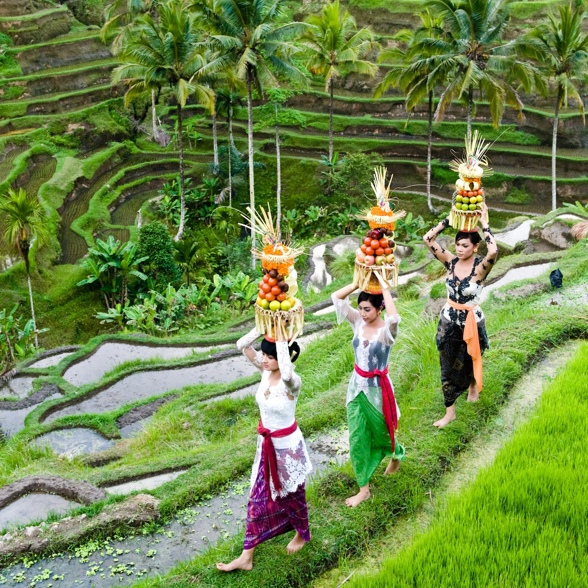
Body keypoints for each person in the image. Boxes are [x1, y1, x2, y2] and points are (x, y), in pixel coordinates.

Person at [216, 326, 312, 572]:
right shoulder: (265, 372)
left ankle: (302, 533)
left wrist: (281, 336)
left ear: (284, 357)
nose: (265, 360)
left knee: (294, 496)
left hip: (288, 448)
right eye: (264, 356)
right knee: (256, 500)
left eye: (271, 357)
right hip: (266, 447)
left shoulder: (293, 382)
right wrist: (264, 326)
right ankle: (246, 556)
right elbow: (241, 345)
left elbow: (288, 372)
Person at [331, 272, 405, 508]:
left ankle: (395, 454)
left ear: (379, 309)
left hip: (377, 391)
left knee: (383, 432)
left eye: (367, 309)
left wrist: (384, 286)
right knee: (357, 438)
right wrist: (355, 283)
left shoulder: (386, 332)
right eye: (360, 308)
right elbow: (336, 298)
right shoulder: (358, 323)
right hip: (356, 389)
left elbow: (394, 319)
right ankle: (363, 488)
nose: (362, 313)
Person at [423, 203, 498, 428]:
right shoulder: (450, 262)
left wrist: (485, 225)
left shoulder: (481, 267)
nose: (459, 249)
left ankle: (473, 384)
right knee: (446, 364)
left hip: (472, 321)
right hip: (449, 320)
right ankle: (450, 412)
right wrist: (448, 220)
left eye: (464, 245)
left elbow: (493, 251)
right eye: (457, 245)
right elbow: (428, 239)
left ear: (475, 247)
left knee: (470, 357)